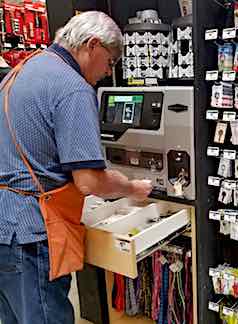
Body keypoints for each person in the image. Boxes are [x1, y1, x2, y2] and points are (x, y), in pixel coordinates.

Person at [0, 11, 152, 324]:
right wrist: (131, 188)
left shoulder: (22, 70)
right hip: (32, 232)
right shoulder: (73, 88)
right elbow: (89, 181)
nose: (108, 74)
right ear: (92, 45)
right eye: (110, 62)